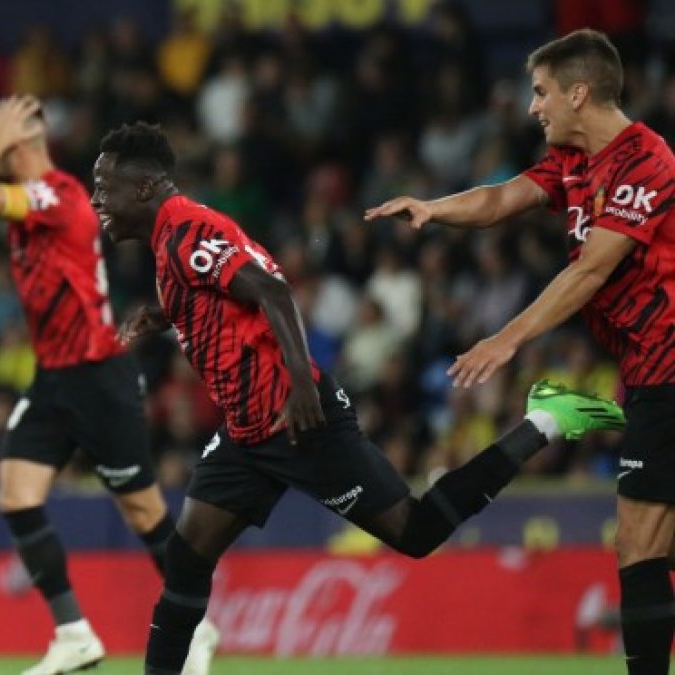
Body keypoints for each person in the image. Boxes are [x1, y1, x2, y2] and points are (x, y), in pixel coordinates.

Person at [90, 120, 626, 675]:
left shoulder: (186, 230)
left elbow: (272, 289)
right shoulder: (174, 239)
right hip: (247, 432)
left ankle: (546, 419)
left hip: (296, 419)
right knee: (186, 559)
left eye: (105, 187)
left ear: (146, 187)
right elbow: (230, 295)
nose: (97, 199)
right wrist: (167, 314)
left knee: (415, 533)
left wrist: (300, 384)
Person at [365, 29, 674, 675]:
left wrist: (505, 339)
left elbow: (590, 271)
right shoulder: (576, 161)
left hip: (670, 369)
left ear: (578, 93)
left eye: (541, 93)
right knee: (647, 539)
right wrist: (433, 208)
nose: (533, 106)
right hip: (649, 373)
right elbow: (503, 197)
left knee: (641, 537)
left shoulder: (646, 160)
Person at [0, 96, 217, 675]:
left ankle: (197, 625)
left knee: (144, 513)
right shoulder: (32, 190)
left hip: (99, 376)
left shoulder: (59, 195)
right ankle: (74, 635)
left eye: (1, 144)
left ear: (19, 147)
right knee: (16, 496)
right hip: (53, 377)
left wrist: (0, 135)